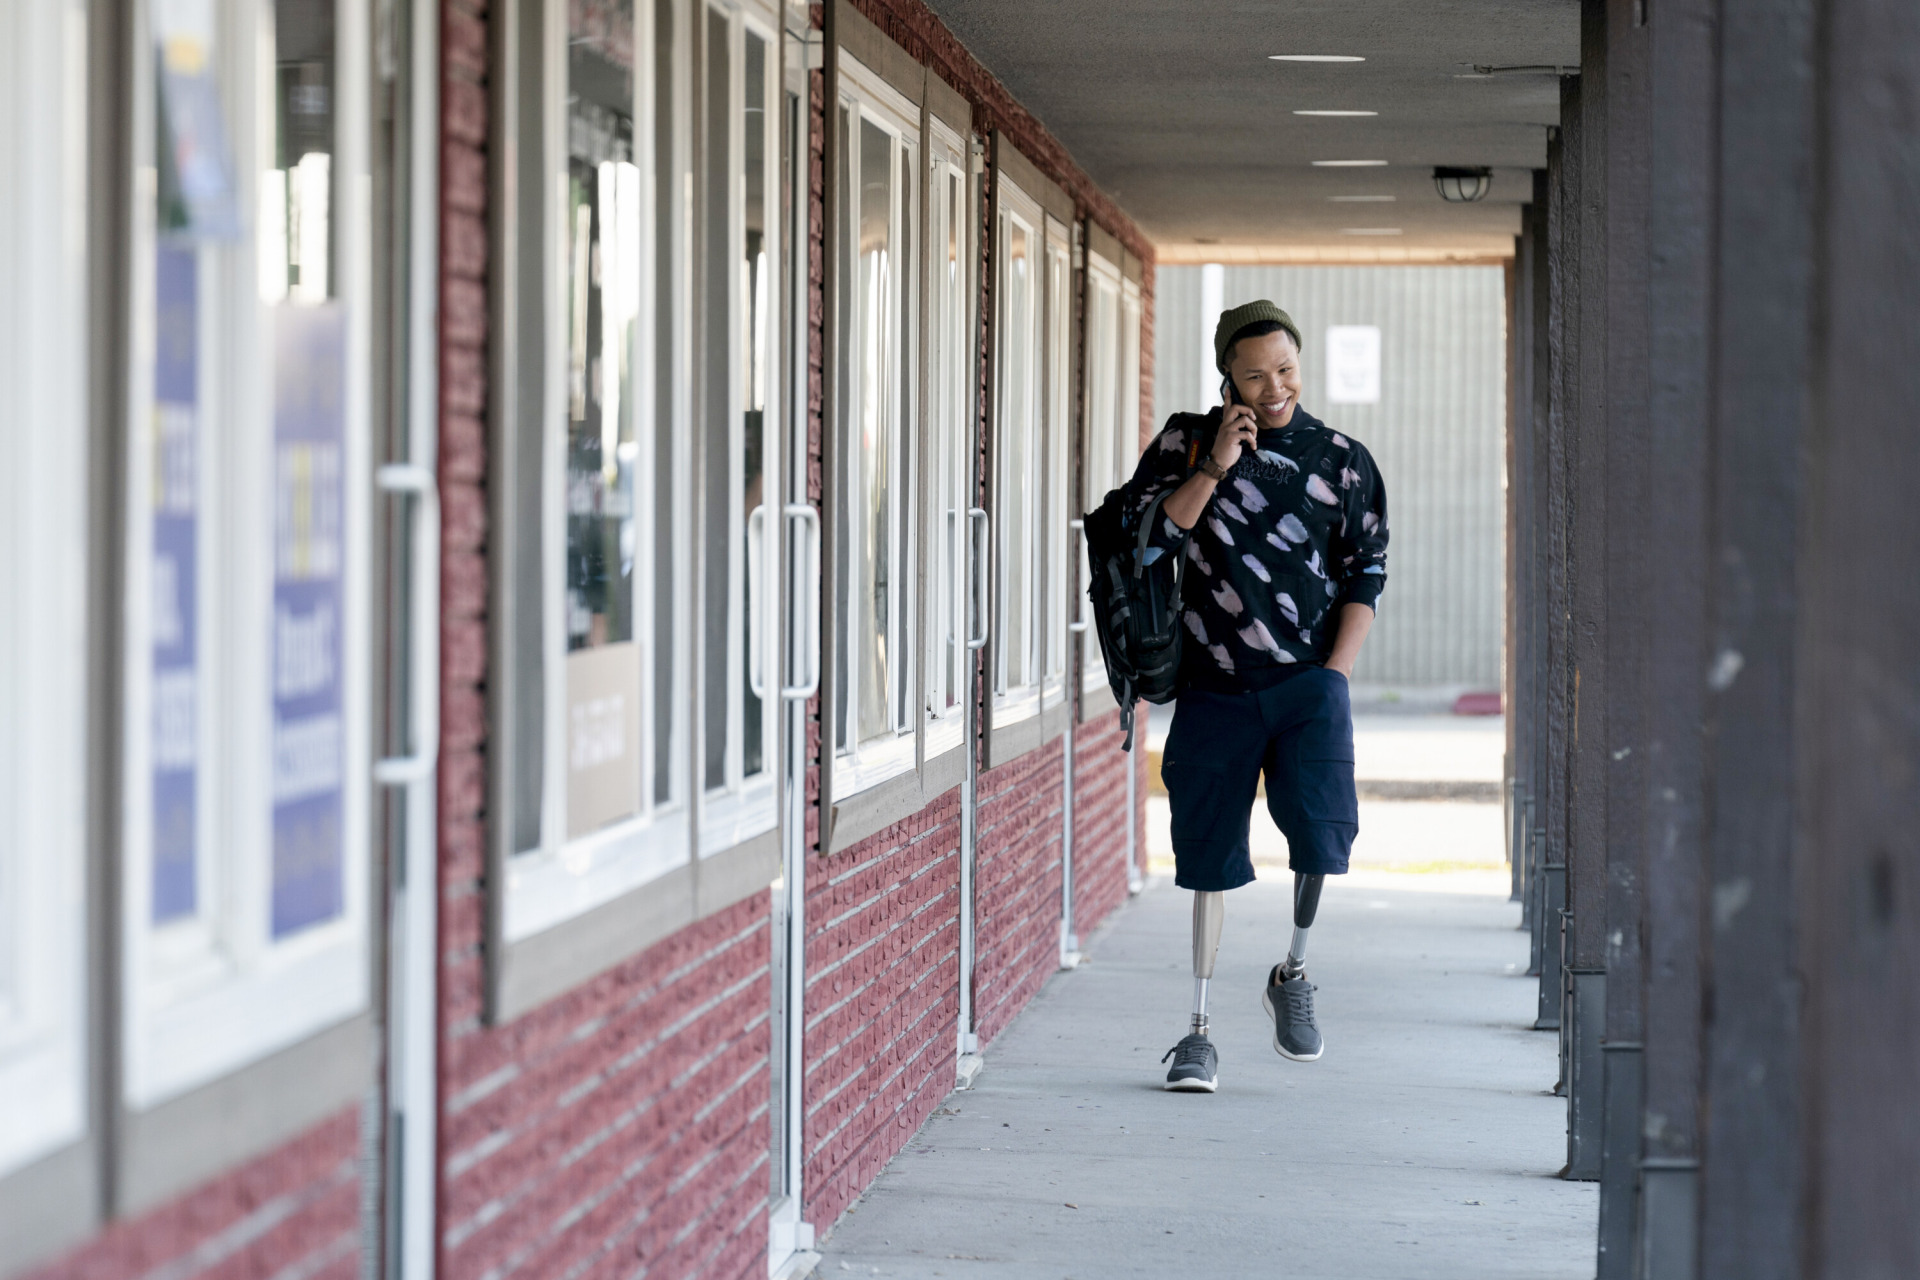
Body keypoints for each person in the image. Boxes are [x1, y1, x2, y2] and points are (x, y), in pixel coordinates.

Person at [1123, 301, 1389, 1093]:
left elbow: (1366, 570)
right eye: (1254, 375)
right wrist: (1213, 466)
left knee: (1320, 834)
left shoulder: (1343, 458)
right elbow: (1149, 541)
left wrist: (1334, 675)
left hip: (1307, 685)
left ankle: (1292, 974)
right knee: (1206, 851)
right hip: (1214, 687)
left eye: (1285, 369)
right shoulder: (1186, 441)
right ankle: (1198, 1032)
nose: (1274, 388)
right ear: (1226, 380)